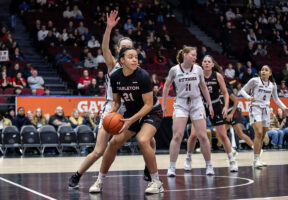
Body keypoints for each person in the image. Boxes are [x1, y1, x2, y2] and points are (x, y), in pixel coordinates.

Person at [68, 10, 154, 190]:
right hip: (112, 108)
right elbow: (104, 48)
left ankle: (149, 169)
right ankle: (77, 175)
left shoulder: (136, 69)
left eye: (129, 48)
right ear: (118, 51)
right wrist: (108, 28)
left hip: (131, 108)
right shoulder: (112, 64)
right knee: (99, 150)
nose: (127, 51)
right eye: (123, 48)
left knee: (149, 140)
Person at [89, 47, 164, 194]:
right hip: (132, 113)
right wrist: (108, 115)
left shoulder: (142, 76)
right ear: (121, 60)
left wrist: (130, 120)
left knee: (142, 140)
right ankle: (100, 180)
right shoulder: (116, 77)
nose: (135, 59)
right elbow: (116, 103)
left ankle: (156, 181)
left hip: (152, 112)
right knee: (113, 144)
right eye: (130, 57)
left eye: (136, 57)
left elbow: (148, 104)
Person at [162, 46, 215, 176]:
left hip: (196, 102)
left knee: (202, 135)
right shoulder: (174, 70)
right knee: (177, 135)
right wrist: (164, 105)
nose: (195, 58)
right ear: (185, 55)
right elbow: (166, 87)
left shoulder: (198, 69)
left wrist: (209, 104)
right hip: (181, 102)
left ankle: (208, 165)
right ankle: (172, 167)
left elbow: (203, 87)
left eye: (196, 56)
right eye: (193, 55)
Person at [185, 55, 238, 173]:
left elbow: (225, 92)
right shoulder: (197, 75)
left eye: (209, 61)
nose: (207, 63)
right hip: (200, 105)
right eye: (205, 61)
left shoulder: (217, 76)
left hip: (215, 104)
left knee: (223, 135)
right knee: (194, 135)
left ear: (213, 64)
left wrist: (225, 106)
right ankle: (188, 158)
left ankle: (232, 161)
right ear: (202, 64)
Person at [239, 65, 288, 168]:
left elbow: (276, 99)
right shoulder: (254, 80)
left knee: (262, 136)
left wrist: (284, 108)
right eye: (262, 70)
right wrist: (249, 97)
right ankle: (255, 160)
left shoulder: (273, 85)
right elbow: (242, 91)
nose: (263, 71)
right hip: (255, 108)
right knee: (258, 133)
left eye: (266, 70)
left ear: (270, 73)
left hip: (266, 110)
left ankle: (258, 158)